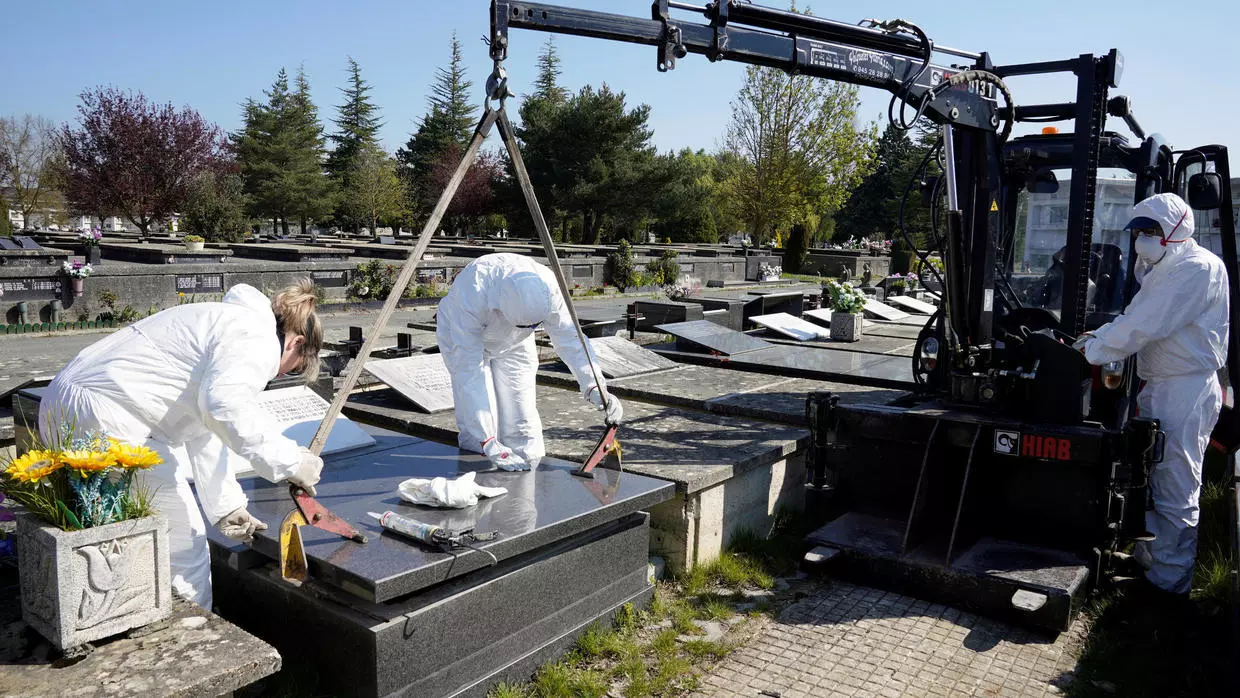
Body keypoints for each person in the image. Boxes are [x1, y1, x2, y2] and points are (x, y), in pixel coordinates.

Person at [37, 281, 326, 608]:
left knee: (117, 534)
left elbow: (203, 427)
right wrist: (290, 461)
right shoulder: (256, 338)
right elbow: (223, 408)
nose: (281, 374)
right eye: (295, 368)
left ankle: (127, 619)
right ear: (295, 343)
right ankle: (191, 636)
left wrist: (226, 506)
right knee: (183, 546)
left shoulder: (224, 320)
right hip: (111, 420)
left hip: (62, 406)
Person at [1076, 193, 1229, 595]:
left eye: (1151, 231)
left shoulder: (1197, 268)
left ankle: (1170, 586)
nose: (1143, 239)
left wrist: (1095, 349)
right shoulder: (1163, 268)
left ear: (1177, 230)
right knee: (1154, 476)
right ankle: (1151, 560)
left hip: (1185, 388)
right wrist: (1099, 336)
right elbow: (1134, 317)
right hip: (1162, 384)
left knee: (1177, 483)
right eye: (1140, 231)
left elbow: (1146, 323)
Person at [437, 253, 624, 471]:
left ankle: (527, 483)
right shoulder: (472, 290)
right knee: (479, 426)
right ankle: (479, 472)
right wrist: (487, 440)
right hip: (464, 339)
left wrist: (595, 386)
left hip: (517, 343)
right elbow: (469, 371)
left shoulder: (549, 286)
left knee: (522, 419)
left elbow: (570, 337)